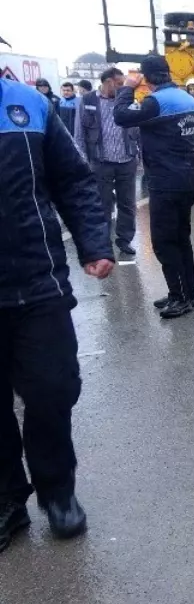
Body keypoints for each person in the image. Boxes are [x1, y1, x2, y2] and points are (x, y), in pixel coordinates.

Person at [0, 78, 114, 552]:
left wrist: (93, 243)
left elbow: (72, 179)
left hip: (36, 281)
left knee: (53, 388)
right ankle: (7, 498)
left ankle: (58, 491)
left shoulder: (28, 104)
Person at [115, 56, 194, 319]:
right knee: (181, 239)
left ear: (147, 77)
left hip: (165, 182)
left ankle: (180, 297)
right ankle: (187, 292)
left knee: (165, 242)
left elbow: (120, 116)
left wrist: (127, 87)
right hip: (186, 178)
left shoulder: (156, 102)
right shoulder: (187, 99)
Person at [75, 67, 141, 256]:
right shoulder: (87, 102)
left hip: (126, 160)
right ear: (107, 82)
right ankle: (103, 242)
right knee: (102, 204)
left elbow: (138, 131)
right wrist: (82, 162)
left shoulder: (128, 101)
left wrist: (140, 157)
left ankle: (124, 239)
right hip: (100, 161)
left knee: (127, 203)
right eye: (119, 84)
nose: (123, 88)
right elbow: (79, 134)